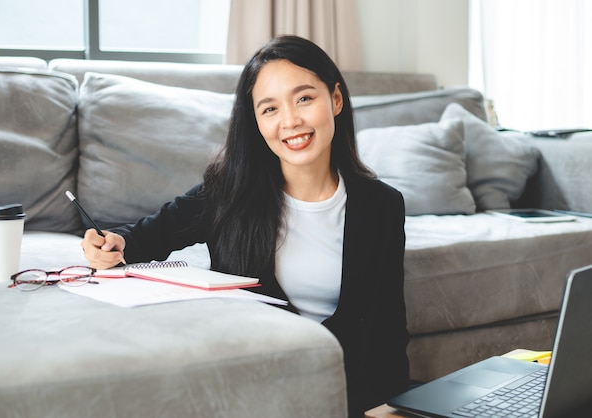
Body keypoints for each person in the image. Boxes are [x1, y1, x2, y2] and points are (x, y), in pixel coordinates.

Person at [81, 35, 409, 416]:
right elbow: (145, 237)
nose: (290, 121)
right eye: (269, 109)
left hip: (345, 392)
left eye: (304, 98)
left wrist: (388, 405)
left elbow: (388, 329)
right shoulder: (229, 193)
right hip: (250, 391)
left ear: (335, 99)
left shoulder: (382, 205)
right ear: (255, 122)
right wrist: (111, 244)